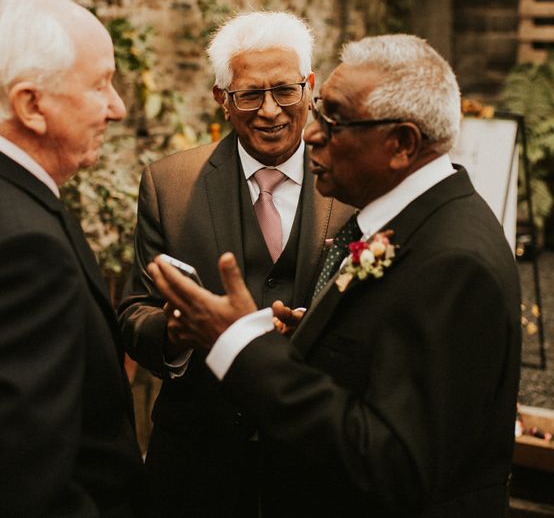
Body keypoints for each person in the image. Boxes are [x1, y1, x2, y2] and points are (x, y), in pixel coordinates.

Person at [150, 34, 522, 517]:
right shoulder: (403, 220)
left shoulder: (455, 262)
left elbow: (396, 462)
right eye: (320, 110)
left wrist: (243, 346)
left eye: (335, 120)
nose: (310, 133)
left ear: (402, 143)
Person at [117, 11, 353, 516]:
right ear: (222, 100)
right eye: (249, 94)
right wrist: (175, 331)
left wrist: (325, 335)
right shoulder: (169, 185)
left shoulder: (356, 185)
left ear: (311, 88)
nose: (270, 111)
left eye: (285, 91)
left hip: (317, 456)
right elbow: (134, 314)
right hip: (198, 465)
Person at [0, 0, 144, 517]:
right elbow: (27, 482)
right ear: (31, 104)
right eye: (100, 84)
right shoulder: (27, 249)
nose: (118, 107)